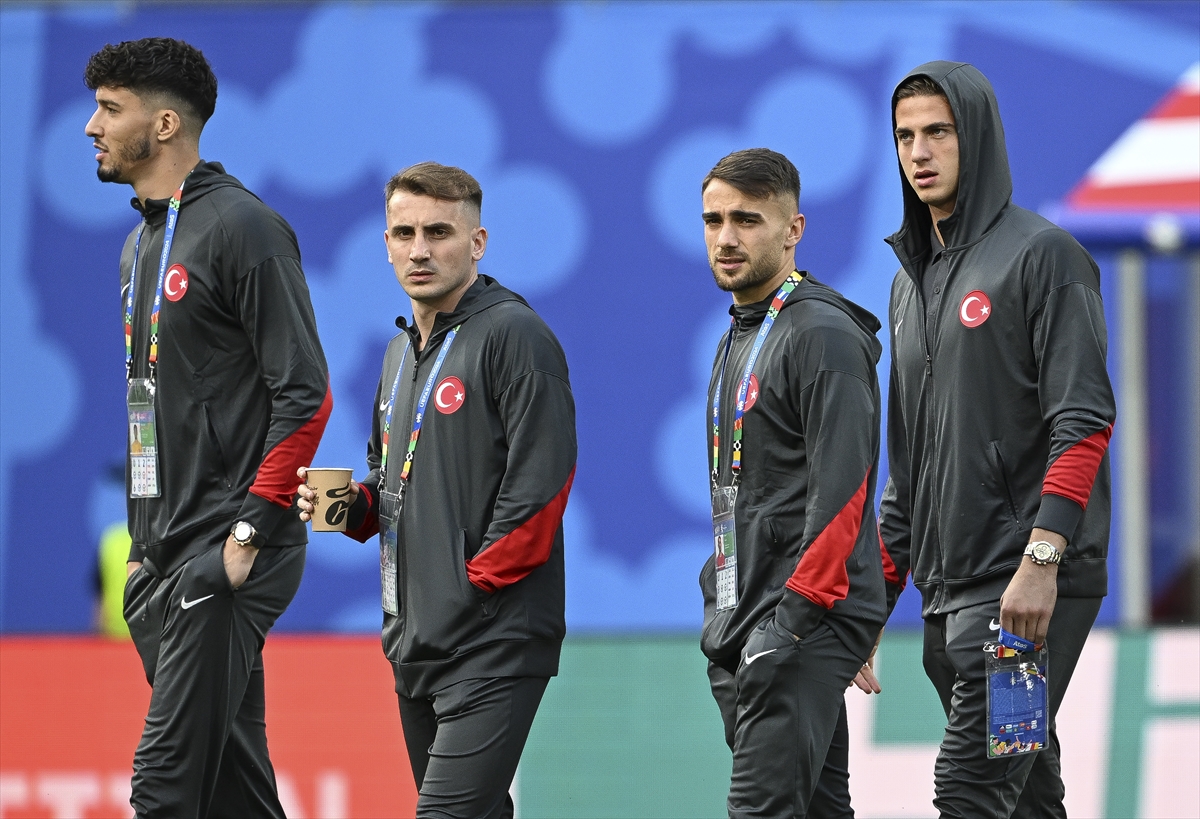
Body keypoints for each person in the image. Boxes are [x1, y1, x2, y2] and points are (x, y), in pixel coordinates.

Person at [85, 37, 332, 818]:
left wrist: (247, 534)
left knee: (163, 787)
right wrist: (141, 552)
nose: (92, 126)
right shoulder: (139, 246)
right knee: (233, 790)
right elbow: (145, 405)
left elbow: (306, 394)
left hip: (226, 553)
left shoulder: (244, 227)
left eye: (110, 108)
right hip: (162, 563)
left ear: (164, 124)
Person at [297, 162, 576, 819]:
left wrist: (467, 589)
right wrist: (347, 506)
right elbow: (389, 481)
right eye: (404, 233)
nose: (419, 250)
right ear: (386, 243)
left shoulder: (515, 334)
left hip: (491, 639)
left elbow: (542, 485)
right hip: (414, 641)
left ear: (477, 243)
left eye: (438, 232)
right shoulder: (400, 354)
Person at [876, 62, 1116, 819]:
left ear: (976, 136)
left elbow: (1084, 420)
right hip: (946, 597)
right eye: (905, 136)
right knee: (1024, 801)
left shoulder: (1045, 256)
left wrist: (1042, 561)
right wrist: (870, 605)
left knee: (971, 792)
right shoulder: (908, 283)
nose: (919, 152)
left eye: (938, 132)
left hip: (1024, 594)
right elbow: (907, 468)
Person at [698, 148, 888, 818]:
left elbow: (844, 493)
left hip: (795, 619)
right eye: (714, 220)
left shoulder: (822, 334)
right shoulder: (742, 330)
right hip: (750, 612)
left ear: (793, 229)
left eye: (747, 219)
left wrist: (796, 621)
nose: (726, 237)